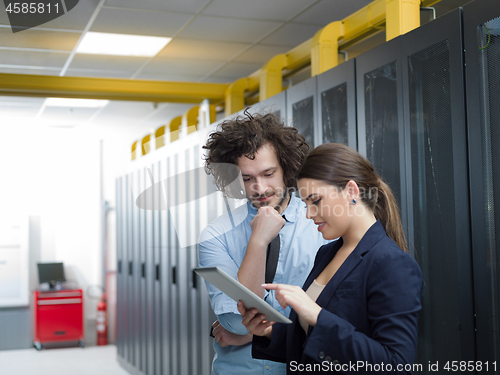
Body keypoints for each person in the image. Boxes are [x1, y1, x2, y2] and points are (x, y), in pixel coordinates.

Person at [238, 143, 423, 374]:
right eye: (305, 204)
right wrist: (269, 331)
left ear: (352, 192)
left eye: (315, 201)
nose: (308, 214)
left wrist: (316, 315)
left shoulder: (391, 263)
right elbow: (312, 344)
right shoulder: (327, 253)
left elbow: (395, 364)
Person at [198, 111, 329, 375]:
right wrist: (258, 241)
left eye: (269, 174)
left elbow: (333, 319)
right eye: (247, 178)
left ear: (286, 167)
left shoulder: (321, 227)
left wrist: (250, 335)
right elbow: (235, 322)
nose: (259, 188)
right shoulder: (215, 236)